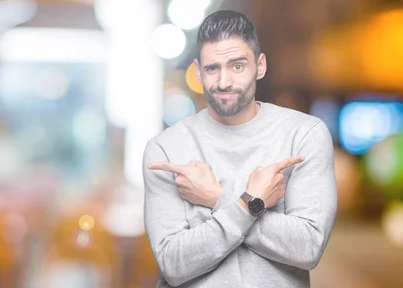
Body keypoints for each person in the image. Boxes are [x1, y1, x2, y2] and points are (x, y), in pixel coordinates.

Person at [142, 10, 337, 288]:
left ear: (260, 66)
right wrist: (250, 204)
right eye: (212, 68)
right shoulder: (165, 149)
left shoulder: (304, 135)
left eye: (237, 66)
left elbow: (308, 248)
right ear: (198, 71)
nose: (223, 82)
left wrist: (217, 197)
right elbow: (173, 264)